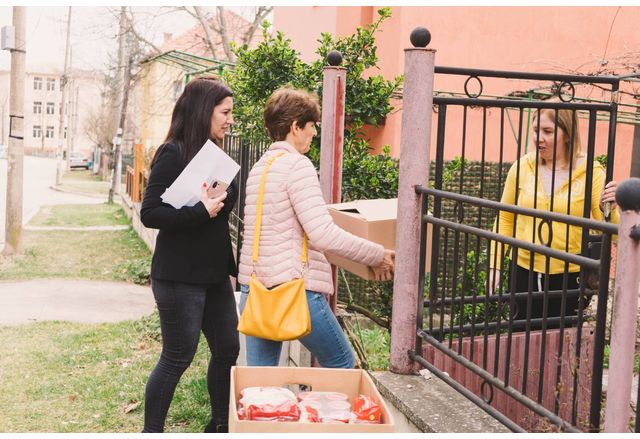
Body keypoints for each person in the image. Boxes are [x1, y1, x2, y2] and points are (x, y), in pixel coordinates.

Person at [237, 87, 395, 368]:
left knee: (261, 386)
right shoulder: (298, 166)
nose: (314, 133)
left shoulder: (260, 168)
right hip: (294, 293)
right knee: (342, 364)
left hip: (256, 293)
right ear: (295, 126)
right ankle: (324, 413)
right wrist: (377, 254)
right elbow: (322, 233)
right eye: (311, 126)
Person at [140, 77, 238, 433]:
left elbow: (220, 212)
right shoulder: (174, 152)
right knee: (178, 356)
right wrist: (201, 209)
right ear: (203, 111)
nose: (230, 120)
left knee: (227, 349)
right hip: (179, 276)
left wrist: (217, 201)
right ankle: (152, 431)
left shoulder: (218, 155)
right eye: (225, 112)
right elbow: (150, 213)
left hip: (213, 276)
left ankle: (219, 425)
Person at [490, 105, 618, 323]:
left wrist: (610, 206)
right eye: (536, 130)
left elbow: (611, 231)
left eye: (548, 132)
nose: (538, 138)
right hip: (523, 270)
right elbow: (505, 218)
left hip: (569, 274)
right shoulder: (522, 167)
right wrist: (495, 265)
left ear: (567, 134)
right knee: (522, 339)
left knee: (561, 342)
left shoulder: (591, 172)